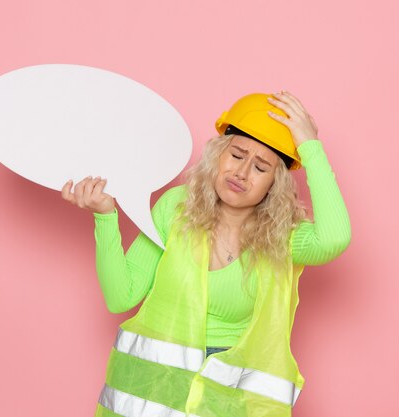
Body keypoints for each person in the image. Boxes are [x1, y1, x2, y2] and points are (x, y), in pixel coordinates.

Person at [61, 91, 351, 417]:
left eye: (260, 167)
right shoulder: (175, 207)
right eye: (237, 155)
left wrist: (310, 145)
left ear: (275, 183)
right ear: (217, 155)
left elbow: (334, 238)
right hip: (153, 392)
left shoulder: (280, 237)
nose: (241, 173)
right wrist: (105, 216)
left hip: (225, 399)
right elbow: (121, 296)